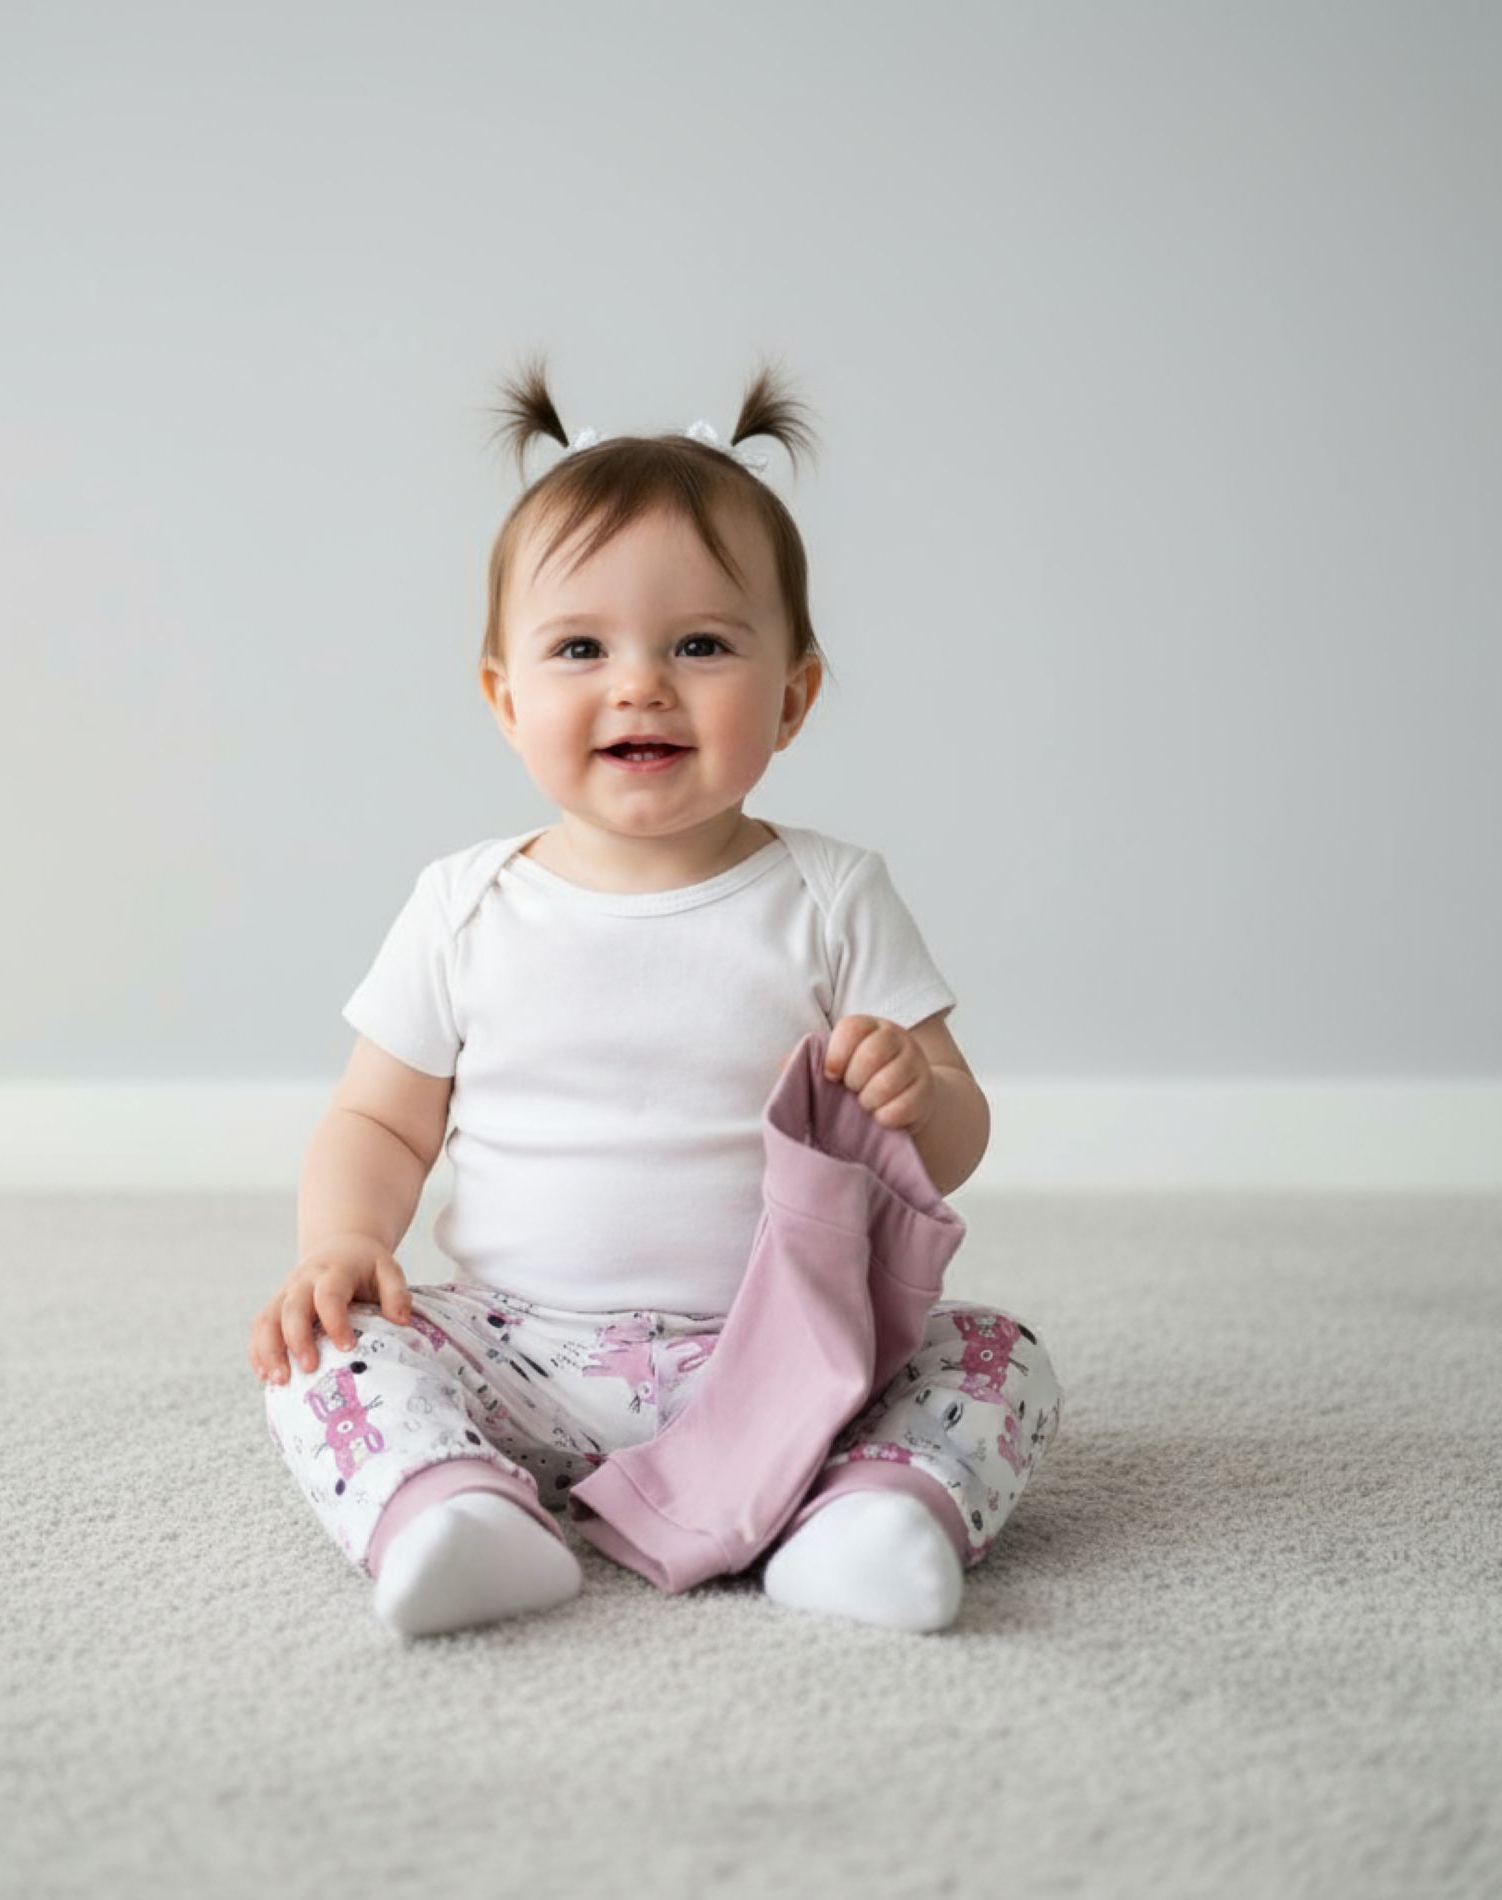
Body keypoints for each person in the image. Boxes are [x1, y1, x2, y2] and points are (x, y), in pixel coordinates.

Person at [249, 355, 1064, 1638]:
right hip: (518, 1349)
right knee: (326, 1348)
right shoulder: (464, 904)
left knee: (997, 1359)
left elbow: (951, 1144)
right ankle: (455, 1511)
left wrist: (917, 1096)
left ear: (792, 696)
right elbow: (379, 1121)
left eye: (700, 644)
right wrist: (341, 1241)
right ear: (505, 699)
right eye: (580, 647)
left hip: (787, 1350)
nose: (639, 684)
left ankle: (870, 1518)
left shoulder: (831, 894)